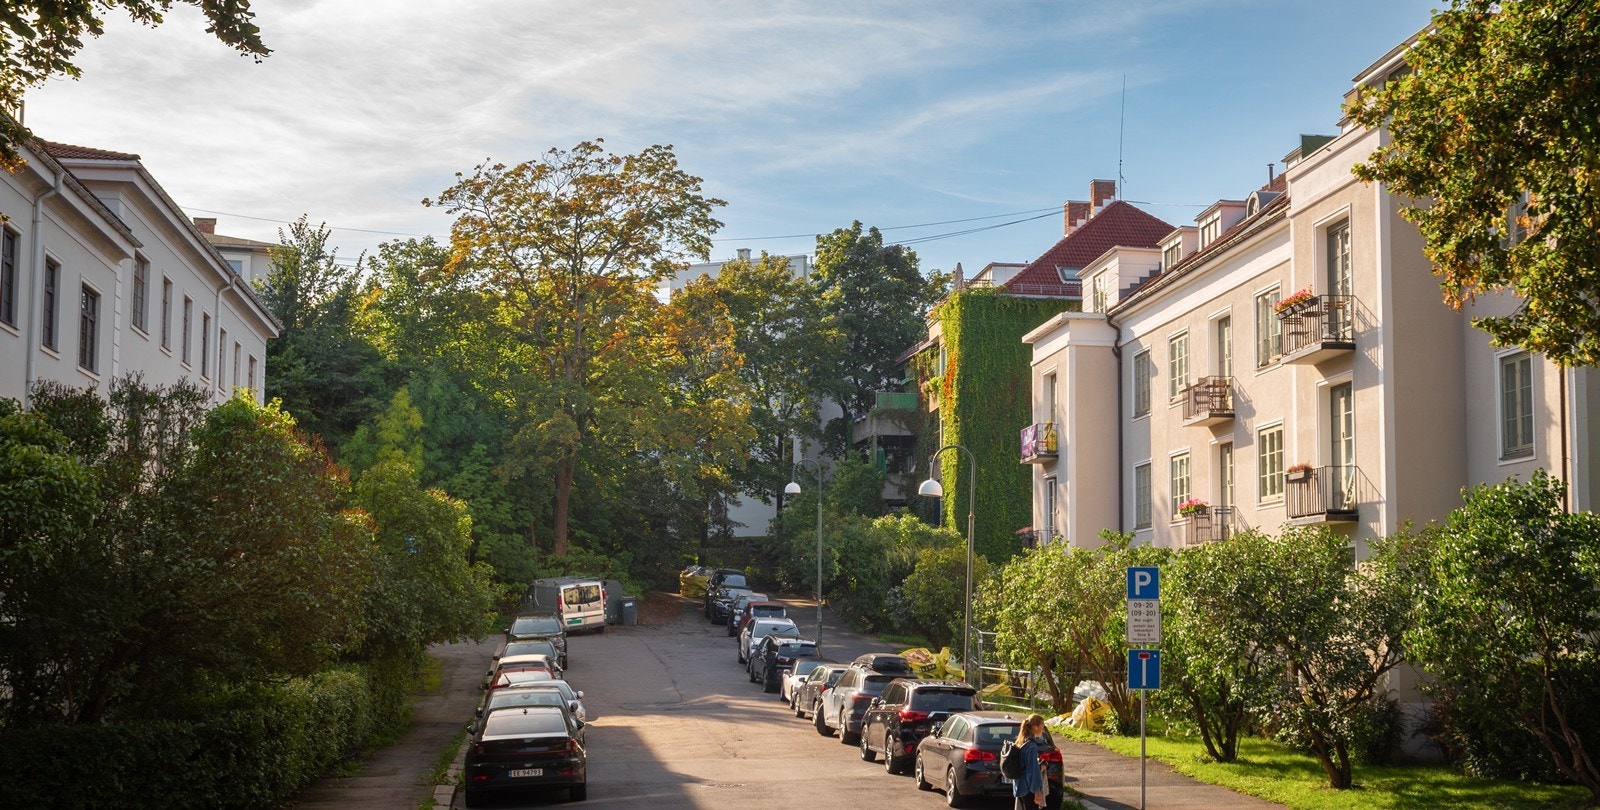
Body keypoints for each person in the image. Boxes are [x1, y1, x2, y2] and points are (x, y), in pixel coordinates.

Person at [1010, 713, 1048, 809]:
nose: (1043, 730)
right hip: (1028, 789)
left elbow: (1025, 764)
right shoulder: (1031, 746)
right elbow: (1032, 770)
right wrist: (1037, 791)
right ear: (1035, 727)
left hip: (1020, 786)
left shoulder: (1021, 741)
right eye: (1042, 726)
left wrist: (1038, 765)